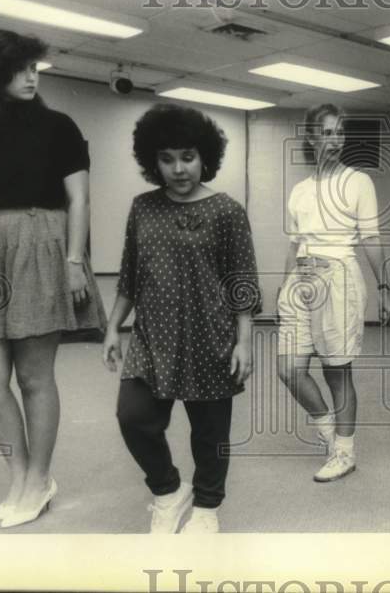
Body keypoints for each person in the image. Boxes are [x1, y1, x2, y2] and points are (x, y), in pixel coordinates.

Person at [0, 29, 106, 528]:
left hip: (40, 242)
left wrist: (75, 262)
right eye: (20, 67)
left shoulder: (59, 127)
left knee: (33, 376)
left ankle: (37, 480)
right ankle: (23, 475)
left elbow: (79, 199)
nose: (31, 76)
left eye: (35, 67)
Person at [102, 104, 259, 534]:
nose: (178, 168)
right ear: (153, 161)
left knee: (209, 434)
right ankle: (169, 492)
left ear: (204, 157)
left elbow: (241, 281)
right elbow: (130, 275)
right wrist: (113, 327)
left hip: (210, 337)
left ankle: (208, 510)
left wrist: (244, 340)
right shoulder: (143, 208)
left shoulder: (226, 211)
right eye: (166, 158)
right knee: (133, 418)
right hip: (153, 338)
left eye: (187, 157)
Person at [275, 104, 390, 483]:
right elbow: (295, 243)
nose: (334, 140)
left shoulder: (358, 182)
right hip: (301, 282)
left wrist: (385, 286)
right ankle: (330, 433)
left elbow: (371, 238)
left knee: (336, 373)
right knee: (288, 369)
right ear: (311, 137)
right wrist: (284, 284)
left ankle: (345, 453)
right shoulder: (299, 190)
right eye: (326, 133)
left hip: (339, 278)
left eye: (339, 133)